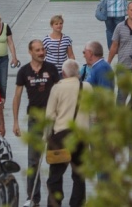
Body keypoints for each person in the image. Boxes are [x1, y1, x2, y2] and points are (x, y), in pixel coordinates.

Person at [12, 40, 60, 206]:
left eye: (43, 49)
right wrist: (16, 122)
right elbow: (17, 96)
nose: (42, 52)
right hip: (34, 121)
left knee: (55, 159)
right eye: (38, 50)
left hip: (52, 120)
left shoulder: (51, 69)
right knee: (33, 160)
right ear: (30, 52)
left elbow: (59, 92)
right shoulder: (24, 71)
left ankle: (54, 198)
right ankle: (33, 198)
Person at [44, 59, 91, 207]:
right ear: (78, 73)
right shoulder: (87, 87)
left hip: (61, 137)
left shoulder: (57, 88)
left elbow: (50, 116)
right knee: (79, 174)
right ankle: (77, 203)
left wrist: (46, 137)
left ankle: (55, 203)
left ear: (63, 73)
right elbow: (94, 114)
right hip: (82, 137)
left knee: (55, 175)